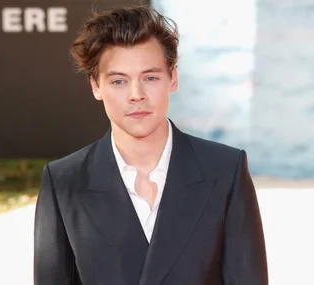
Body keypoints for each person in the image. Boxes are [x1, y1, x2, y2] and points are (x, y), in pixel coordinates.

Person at [34, 5, 268, 285]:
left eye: (150, 78)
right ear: (96, 86)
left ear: (173, 78)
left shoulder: (225, 171)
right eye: (119, 81)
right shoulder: (64, 182)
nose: (137, 95)